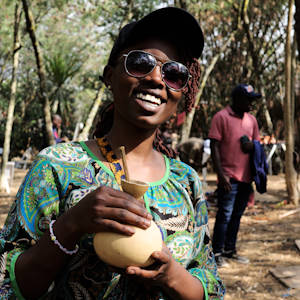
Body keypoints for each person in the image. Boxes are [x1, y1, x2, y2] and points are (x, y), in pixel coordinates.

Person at [0, 7, 225, 300]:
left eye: (173, 73)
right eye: (141, 63)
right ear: (110, 76)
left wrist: (171, 276)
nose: (157, 79)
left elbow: (209, 286)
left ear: (181, 93)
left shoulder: (187, 182)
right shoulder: (56, 167)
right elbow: (8, 281)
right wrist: (71, 225)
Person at [208, 83, 261, 267]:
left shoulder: (252, 120)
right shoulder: (220, 117)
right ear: (238, 99)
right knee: (224, 215)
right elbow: (214, 147)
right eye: (249, 100)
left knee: (237, 215)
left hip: (246, 178)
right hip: (228, 177)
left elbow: (257, 145)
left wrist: (252, 145)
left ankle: (230, 250)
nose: (252, 104)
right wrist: (221, 175)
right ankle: (217, 253)